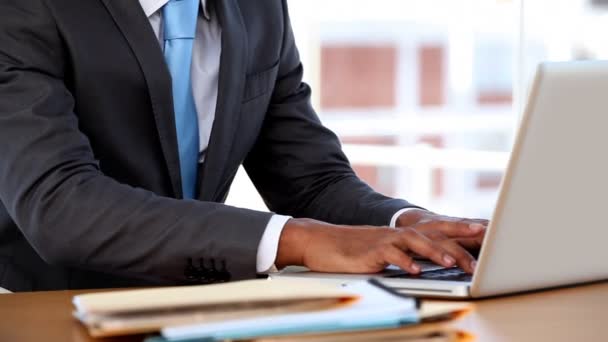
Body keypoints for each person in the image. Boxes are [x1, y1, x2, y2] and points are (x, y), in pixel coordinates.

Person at [0, 0, 488, 292]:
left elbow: (310, 178)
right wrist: (296, 239)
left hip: (202, 309)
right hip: (46, 309)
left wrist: (407, 224)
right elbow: (59, 204)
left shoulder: (258, 9)